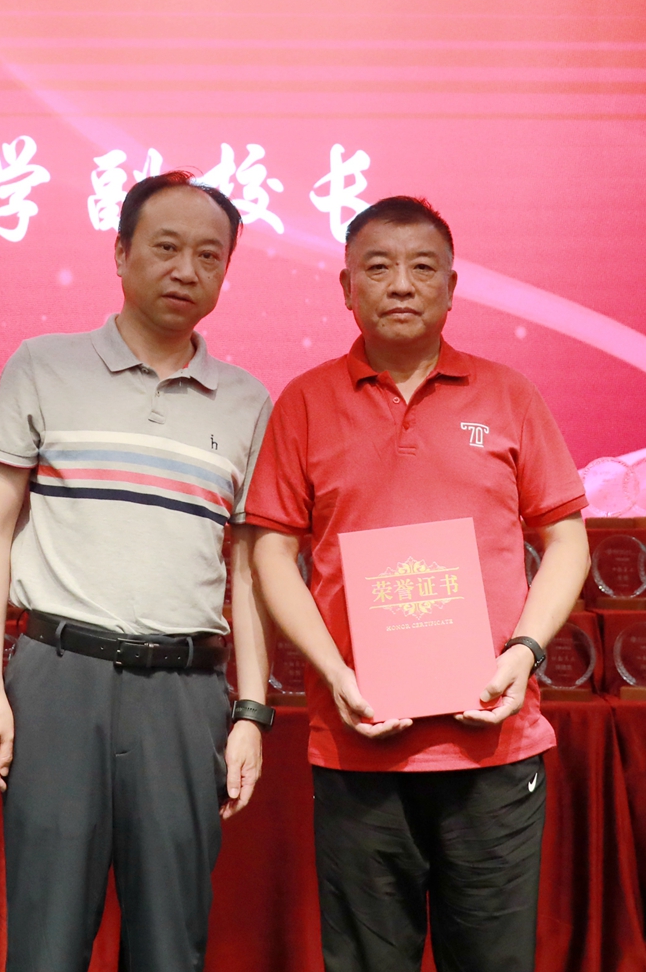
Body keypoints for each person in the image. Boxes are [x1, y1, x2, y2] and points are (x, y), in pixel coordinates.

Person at [243, 195, 591, 972]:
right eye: (378, 267)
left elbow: (566, 541)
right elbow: (271, 552)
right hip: (356, 748)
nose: (401, 283)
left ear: (452, 286)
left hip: (494, 747)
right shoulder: (305, 402)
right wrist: (334, 672)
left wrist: (525, 650)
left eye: (422, 266)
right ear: (346, 287)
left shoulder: (508, 395)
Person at [0, 171, 277, 972]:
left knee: (172, 944)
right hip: (59, 678)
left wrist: (250, 710)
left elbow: (248, 569)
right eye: (166, 247)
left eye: (209, 255)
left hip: (185, 694)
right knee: (46, 941)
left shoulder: (247, 403)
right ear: (121, 253)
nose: (186, 270)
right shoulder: (44, 366)